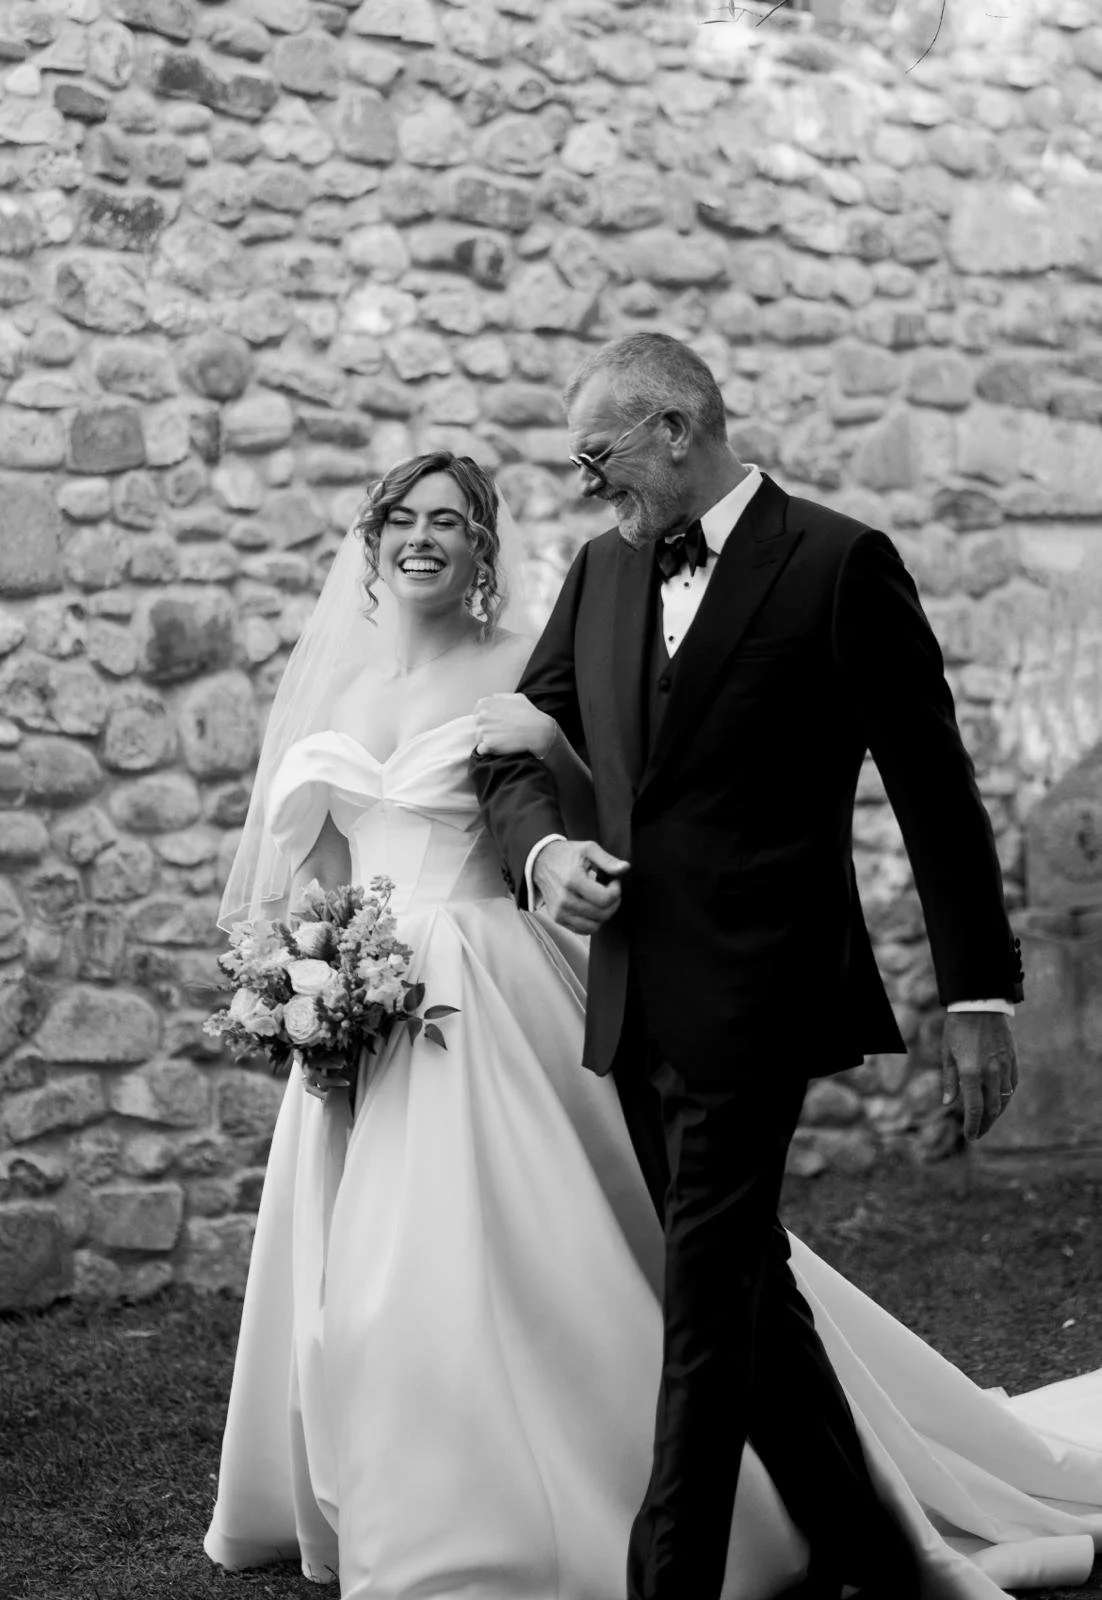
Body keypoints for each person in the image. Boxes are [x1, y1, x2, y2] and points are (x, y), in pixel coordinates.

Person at [205, 449, 1102, 1600]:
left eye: (450, 519)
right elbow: (339, 860)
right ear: (369, 539)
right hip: (372, 1016)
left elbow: (892, 778)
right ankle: (851, 1538)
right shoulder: (544, 599)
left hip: (535, 996)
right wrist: (309, 980)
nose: (421, 536)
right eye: (401, 518)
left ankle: (664, 1560)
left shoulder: (826, 563)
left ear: (486, 549)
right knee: (406, 1283)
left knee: (644, 1270)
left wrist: (976, 992)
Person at [468, 332, 1029, 1600]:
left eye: (597, 454)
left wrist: (976, 994)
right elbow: (511, 744)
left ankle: (666, 1584)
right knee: (743, 1286)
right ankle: (874, 1553)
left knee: (704, 1303)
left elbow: (934, 788)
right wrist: (544, 850)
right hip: (625, 991)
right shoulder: (603, 570)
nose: (584, 483)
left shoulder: (837, 561)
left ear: (675, 427)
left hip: (762, 989)